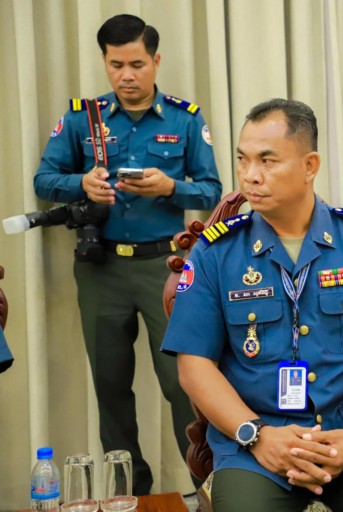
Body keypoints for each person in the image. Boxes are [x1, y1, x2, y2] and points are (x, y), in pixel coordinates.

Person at [162, 98, 343, 511]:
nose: (250, 175)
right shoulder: (216, 253)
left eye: (267, 161)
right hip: (256, 444)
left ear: (310, 166)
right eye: (243, 160)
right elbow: (194, 365)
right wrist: (256, 435)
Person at [33, 14, 222, 495]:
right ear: (105, 62)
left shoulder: (184, 118)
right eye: (116, 65)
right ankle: (130, 493)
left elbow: (212, 190)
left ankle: (206, 487)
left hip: (165, 268)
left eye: (137, 64)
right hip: (102, 268)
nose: (127, 75)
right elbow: (43, 180)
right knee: (111, 386)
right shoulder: (82, 118)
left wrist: (170, 187)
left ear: (156, 61)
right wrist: (82, 183)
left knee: (182, 383)